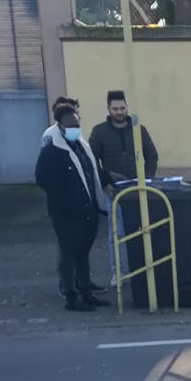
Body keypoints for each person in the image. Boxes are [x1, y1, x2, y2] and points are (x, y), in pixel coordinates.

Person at [35, 103, 111, 311]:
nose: (74, 129)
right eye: (69, 125)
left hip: (88, 211)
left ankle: (86, 292)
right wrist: (66, 200)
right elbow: (42, 179)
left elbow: (94, 170)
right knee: (69, 253)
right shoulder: (52, 151)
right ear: (59, 126)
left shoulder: (82, 147)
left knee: (83, 253)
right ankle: (71, 296)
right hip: (66, 214)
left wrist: (108, 180)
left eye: (76, 124)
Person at [88, 90, 159, 189]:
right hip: (112, 188)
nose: (119, 112)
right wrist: (106, 178)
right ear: (108, 109)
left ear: (127, 107)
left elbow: (152, 157)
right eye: (115, 109)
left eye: (122, 108)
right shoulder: (99, 132)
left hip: (139, 188)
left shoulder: (139, 130)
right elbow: (91, 159)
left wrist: (146, 179)